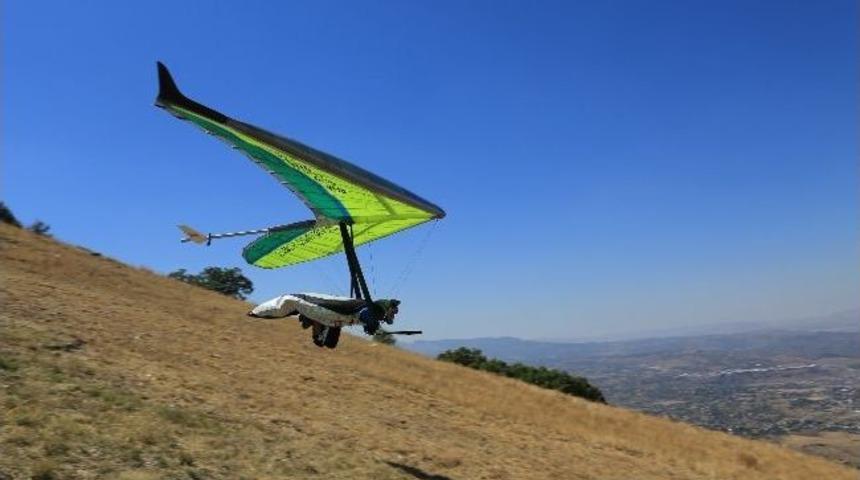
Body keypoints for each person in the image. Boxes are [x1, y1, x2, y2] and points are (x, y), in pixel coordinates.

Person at [247, 293, 400, 348]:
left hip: (338, 320)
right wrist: (372, 324)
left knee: (327, 344)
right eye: (394, 311)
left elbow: (365, 319)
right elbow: (364, 315)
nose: (394, 315)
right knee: (322, 342)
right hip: (332, 314)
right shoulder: (376, 310)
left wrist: (371, 326)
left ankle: (314, 321)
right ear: (387, 308)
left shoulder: (375, 313)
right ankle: (313, 319)